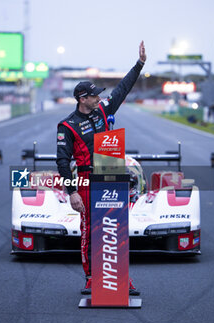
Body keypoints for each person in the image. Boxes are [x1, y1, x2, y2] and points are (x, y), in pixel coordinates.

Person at [57, 41, 146, 295]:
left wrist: (139, 64)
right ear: (82, 99)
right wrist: (71, 192)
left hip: (111, 175)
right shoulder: (67, 125)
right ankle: (90, 278)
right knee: (88, 228)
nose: (100, 98)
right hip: (85, 180)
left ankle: (120, 279)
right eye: (95, 95)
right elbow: (62, 162)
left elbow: (122, 89)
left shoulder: (103, 111)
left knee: (116, 227)